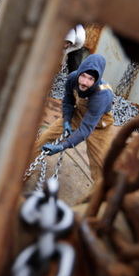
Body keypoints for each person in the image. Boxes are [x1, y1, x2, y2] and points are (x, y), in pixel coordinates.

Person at [32, 54, 114, 184]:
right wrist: (66, 120)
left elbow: (86, 129)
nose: (84, 82)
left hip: (98, 126)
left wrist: (63, 145)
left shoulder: (102, 95)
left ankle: (100, 198)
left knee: (101, 164)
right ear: (79, 73)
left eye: (90, 79)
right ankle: (22, 171)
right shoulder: (73, 78)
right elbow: (68, 101)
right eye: (83, 76)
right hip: (76, 115)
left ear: (97, 80)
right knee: (43, 139)